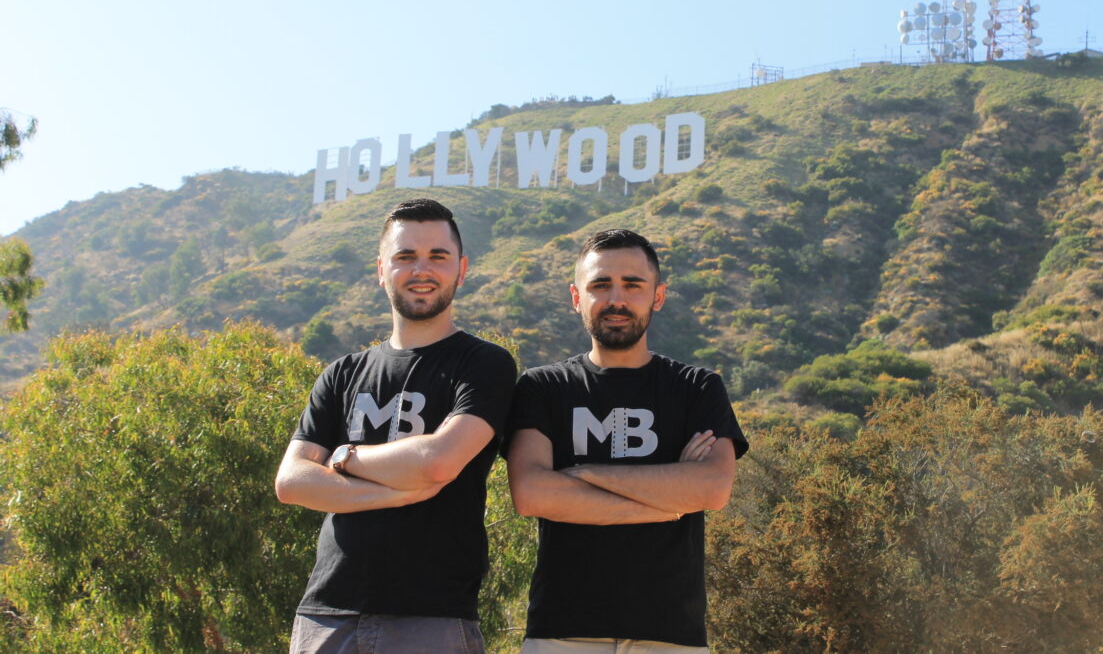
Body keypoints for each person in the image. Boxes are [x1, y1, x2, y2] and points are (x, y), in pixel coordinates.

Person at [275, 198, 517, 654]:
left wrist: (343, 458)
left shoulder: (485, 365)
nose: (421, 269)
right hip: (325, 616)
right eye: (405, 256)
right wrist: (397, 492)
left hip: (431, 617)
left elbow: (437, 463)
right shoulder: (341, 373)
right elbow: (291, 482)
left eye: (437, 257)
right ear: (381, 270)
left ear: (461, 269)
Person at [506, 229, 748, 653]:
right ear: (576, 297)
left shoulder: (697, 388)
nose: (616, 299)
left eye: (632, 284)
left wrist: (581, 475)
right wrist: (669, 500)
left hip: (671, 635)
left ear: (657, 296)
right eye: (600, 285)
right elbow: (530, 493)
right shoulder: (542, 388)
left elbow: (712, 488)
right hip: (561, 632)